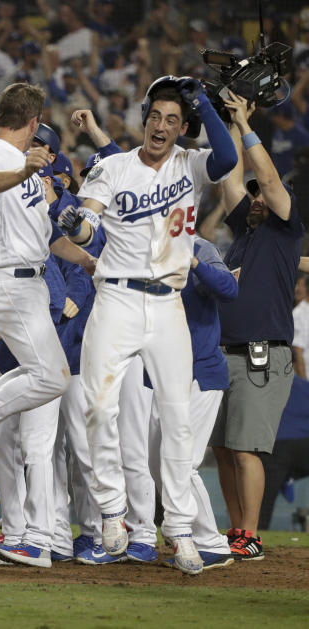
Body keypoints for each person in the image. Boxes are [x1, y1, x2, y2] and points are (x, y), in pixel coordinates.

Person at [59, 76, 237, 574]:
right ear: (144, 120)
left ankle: (180, 530)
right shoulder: (113, 167)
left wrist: (201, 98)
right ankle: (113, 512)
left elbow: (224, 158)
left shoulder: (191, 164)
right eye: (155, 117)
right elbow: (89, 220)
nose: (161, 126)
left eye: (172, 120)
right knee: (97, 406)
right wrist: (77, 225)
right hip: (115, 296)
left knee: (178, 421)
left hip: (167, 304)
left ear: (184, 128)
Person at [0, 83, 96, 572]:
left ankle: (28, 538)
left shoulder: (24, 167)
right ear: (33, 122)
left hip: (26, 281)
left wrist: (87, 259)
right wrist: (21, 169)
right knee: (51, 378)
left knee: (45, 376)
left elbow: (47, 237)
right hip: (5, 283)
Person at [211, 92, 303, 561]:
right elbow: (229, 176)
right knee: (225, 450)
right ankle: (234, 530)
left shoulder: (286, 230)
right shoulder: (245, 235)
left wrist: (247, 124)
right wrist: (229, 121)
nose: (255, 198)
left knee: (246, 449)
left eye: (261, 195)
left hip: (262, 357)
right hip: (224, 353)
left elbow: (264, 176)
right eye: (253, 197)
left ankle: (251, 534)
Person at [149, 235, 238, 570]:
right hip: (161, 376)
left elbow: (229, 289)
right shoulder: (139, 243)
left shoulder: (198, 246)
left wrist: (195, 263)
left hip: (200, 373)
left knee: (181, 463)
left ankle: (210, 542)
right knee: (157, 463)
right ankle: (192, 535)